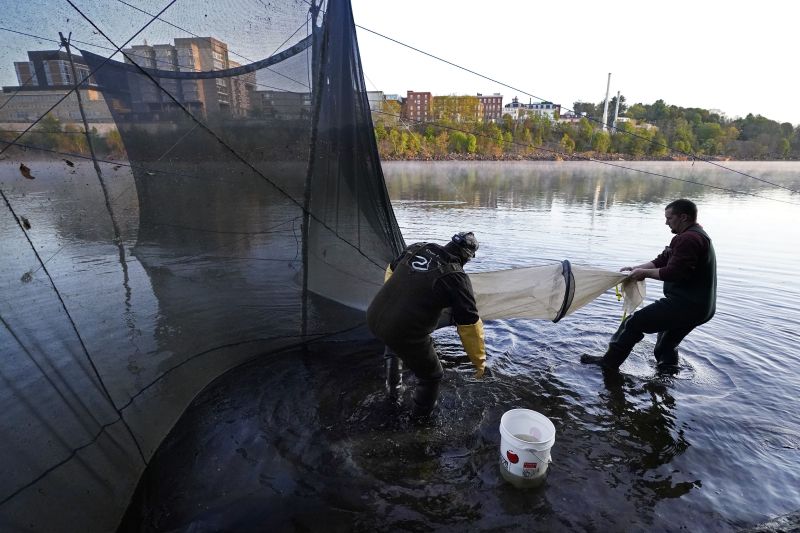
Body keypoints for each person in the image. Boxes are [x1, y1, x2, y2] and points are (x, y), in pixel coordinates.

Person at [581, 199, 716, 372]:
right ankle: (667, 377)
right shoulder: (693, 235)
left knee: (634, 323)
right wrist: (636, 268)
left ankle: (609, 363)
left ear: (683, 217)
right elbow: (663, 260)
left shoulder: (688, 239)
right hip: (703, 308)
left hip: (686, 304)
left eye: (669, 218)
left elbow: (674, 273)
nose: (666, 222)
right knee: (667, 343)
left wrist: (643, 274)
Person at [367, 231, 486, 417]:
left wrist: (399, 304)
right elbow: (470, 325)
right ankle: (420, 424)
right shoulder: (456, 277)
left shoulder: (418, 248)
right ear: (468, 256)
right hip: (402, 331)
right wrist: (479, 362)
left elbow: (391, 270)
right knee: (432, 376)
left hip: (374, 315)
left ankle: (393, 395)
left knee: (394, 347)